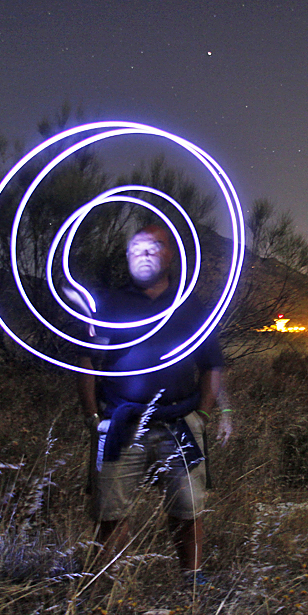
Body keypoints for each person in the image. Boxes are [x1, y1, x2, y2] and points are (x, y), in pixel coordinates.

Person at [76, 224, 231, 583]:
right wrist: (92, 416)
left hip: (179, 423)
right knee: (111, 510)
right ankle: (106, 586)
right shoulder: (108, 303)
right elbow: (86, 360)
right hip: (119, 422)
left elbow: (212, 362)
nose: (144, 252)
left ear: (171, 255)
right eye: (136, 247)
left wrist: (202, 415)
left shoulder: (189, 306)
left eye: (155, 245)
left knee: (188, 508)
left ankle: (192, 580)